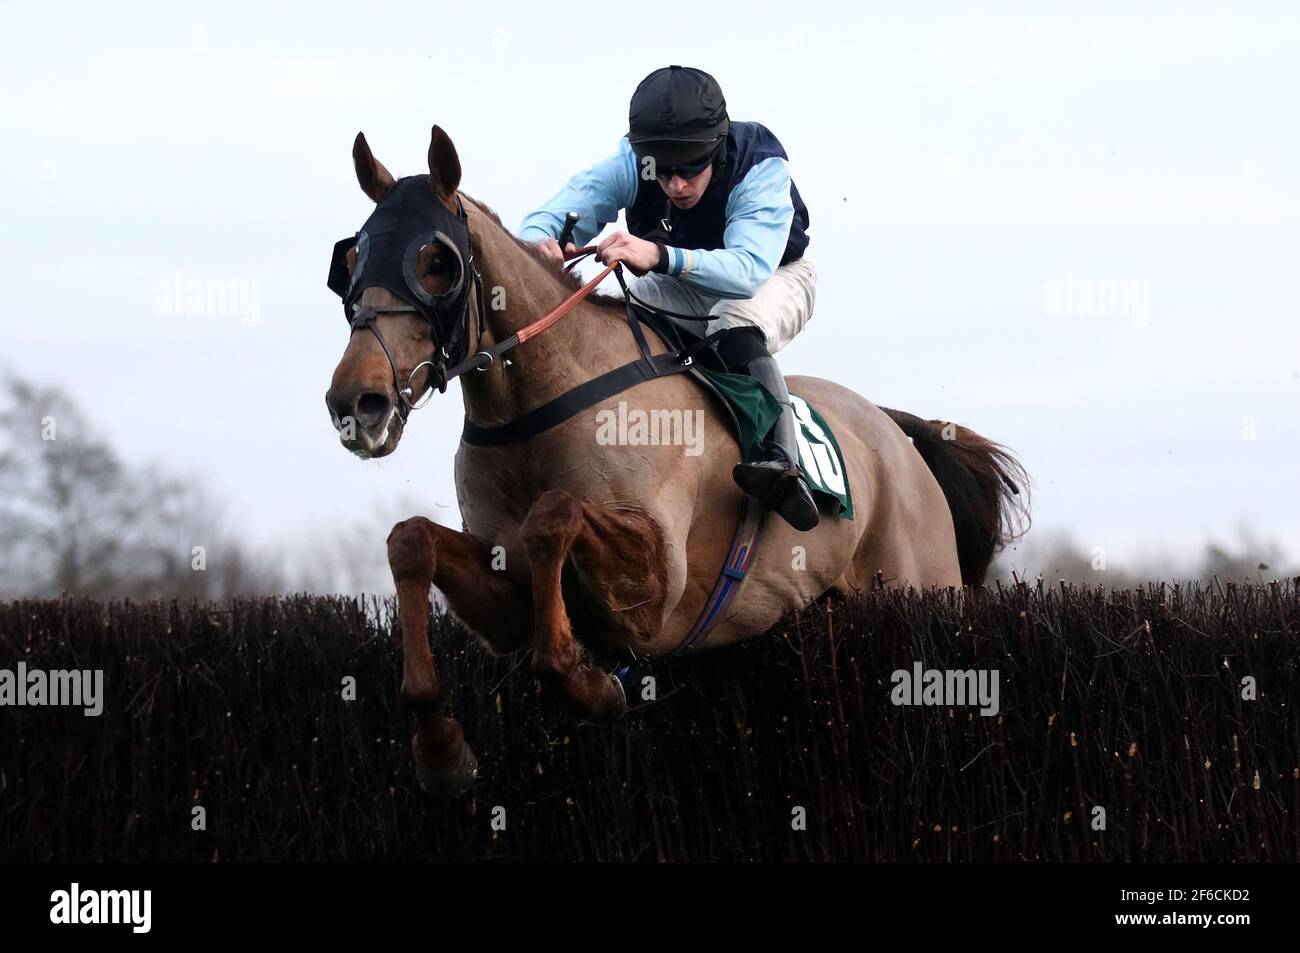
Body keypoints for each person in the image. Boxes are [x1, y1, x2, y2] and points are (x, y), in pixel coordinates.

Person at [519, 65, 819, 531]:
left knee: (731, 322)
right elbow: (551, 215)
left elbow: (746, 271)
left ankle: (783, 462)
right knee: (618, 322)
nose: (676, 185)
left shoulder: (759, 166)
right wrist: (541, 246)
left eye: (691, 168)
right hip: (686, 281)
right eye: (663, 171)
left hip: (774, 277)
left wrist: (657, 254)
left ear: (716, 149)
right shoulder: (631, 161)